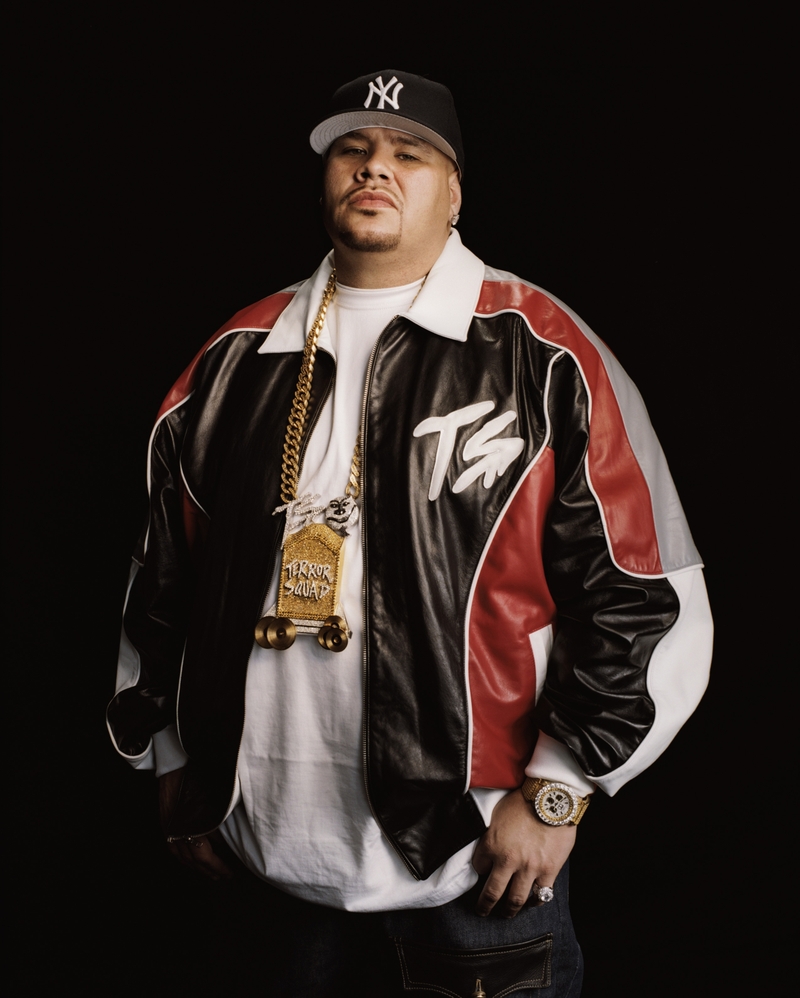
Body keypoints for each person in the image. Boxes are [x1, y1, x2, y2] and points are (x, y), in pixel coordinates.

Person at [107, 70, 713, 996]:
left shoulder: (542, 351)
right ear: (325, 181)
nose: (374, 168)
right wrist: (175, 761)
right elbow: (163, 578)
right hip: (265, 851)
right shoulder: (234, 357)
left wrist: (561, 789)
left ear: (454, 191)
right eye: (352, 150)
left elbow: (644, 590)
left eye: (409, 153)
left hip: (475, 857)